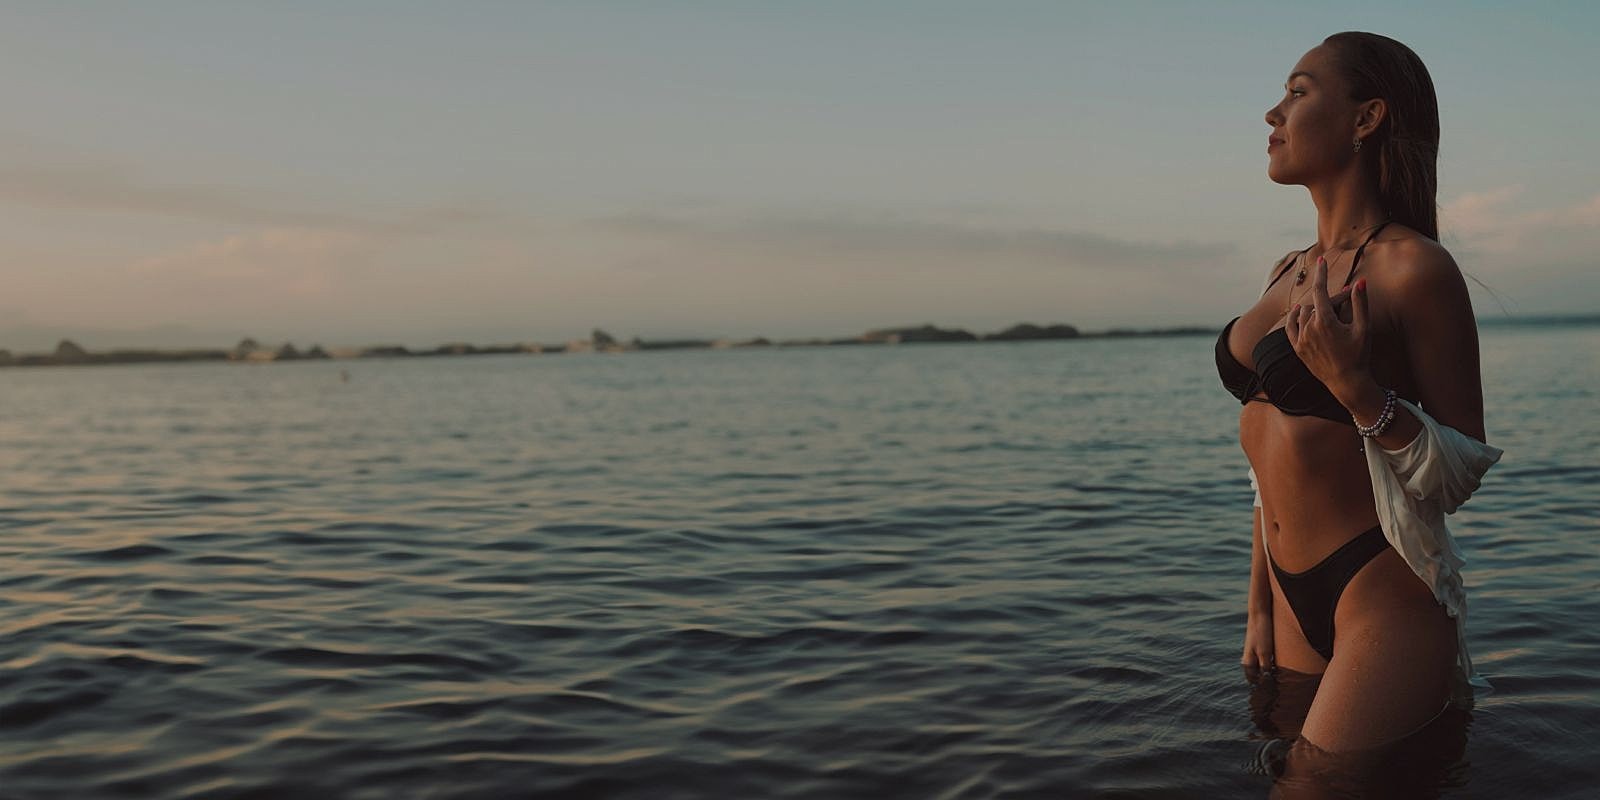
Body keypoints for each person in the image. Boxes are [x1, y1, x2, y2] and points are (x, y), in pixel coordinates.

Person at [1215, 31, 1500, 755]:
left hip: (1380, 594)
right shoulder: (1289, 270)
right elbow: (1268, 464)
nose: (1273, 114)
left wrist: (1353, 386)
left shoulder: (1414, 270)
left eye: (1298, 92)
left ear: (1366, 118)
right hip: (1286, 599)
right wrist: (1255, 607)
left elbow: (1458, 472)